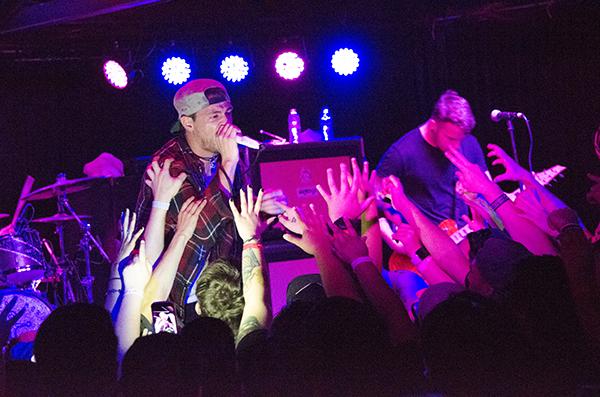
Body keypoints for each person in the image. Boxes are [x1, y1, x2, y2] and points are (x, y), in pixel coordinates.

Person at [135, 79, 280, 323]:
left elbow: (226, 223)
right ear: (187, 122)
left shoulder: (225, 157)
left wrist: (258, 211)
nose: (226, 123)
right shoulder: (169, 165)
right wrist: (229, 162)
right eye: (214, 116)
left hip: (217, 295)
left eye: (228, 113)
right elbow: (200, 231)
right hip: (173, 298)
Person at [377, 90, 487, 229]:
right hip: (427, 243)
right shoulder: (402, 153)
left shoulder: (469, 142)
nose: (457, 146)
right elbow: (375, 199)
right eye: (451, 139)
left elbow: (486, 191)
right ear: (434, 125)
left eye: (461, 139)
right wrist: (394, 240)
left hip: (466, 238)